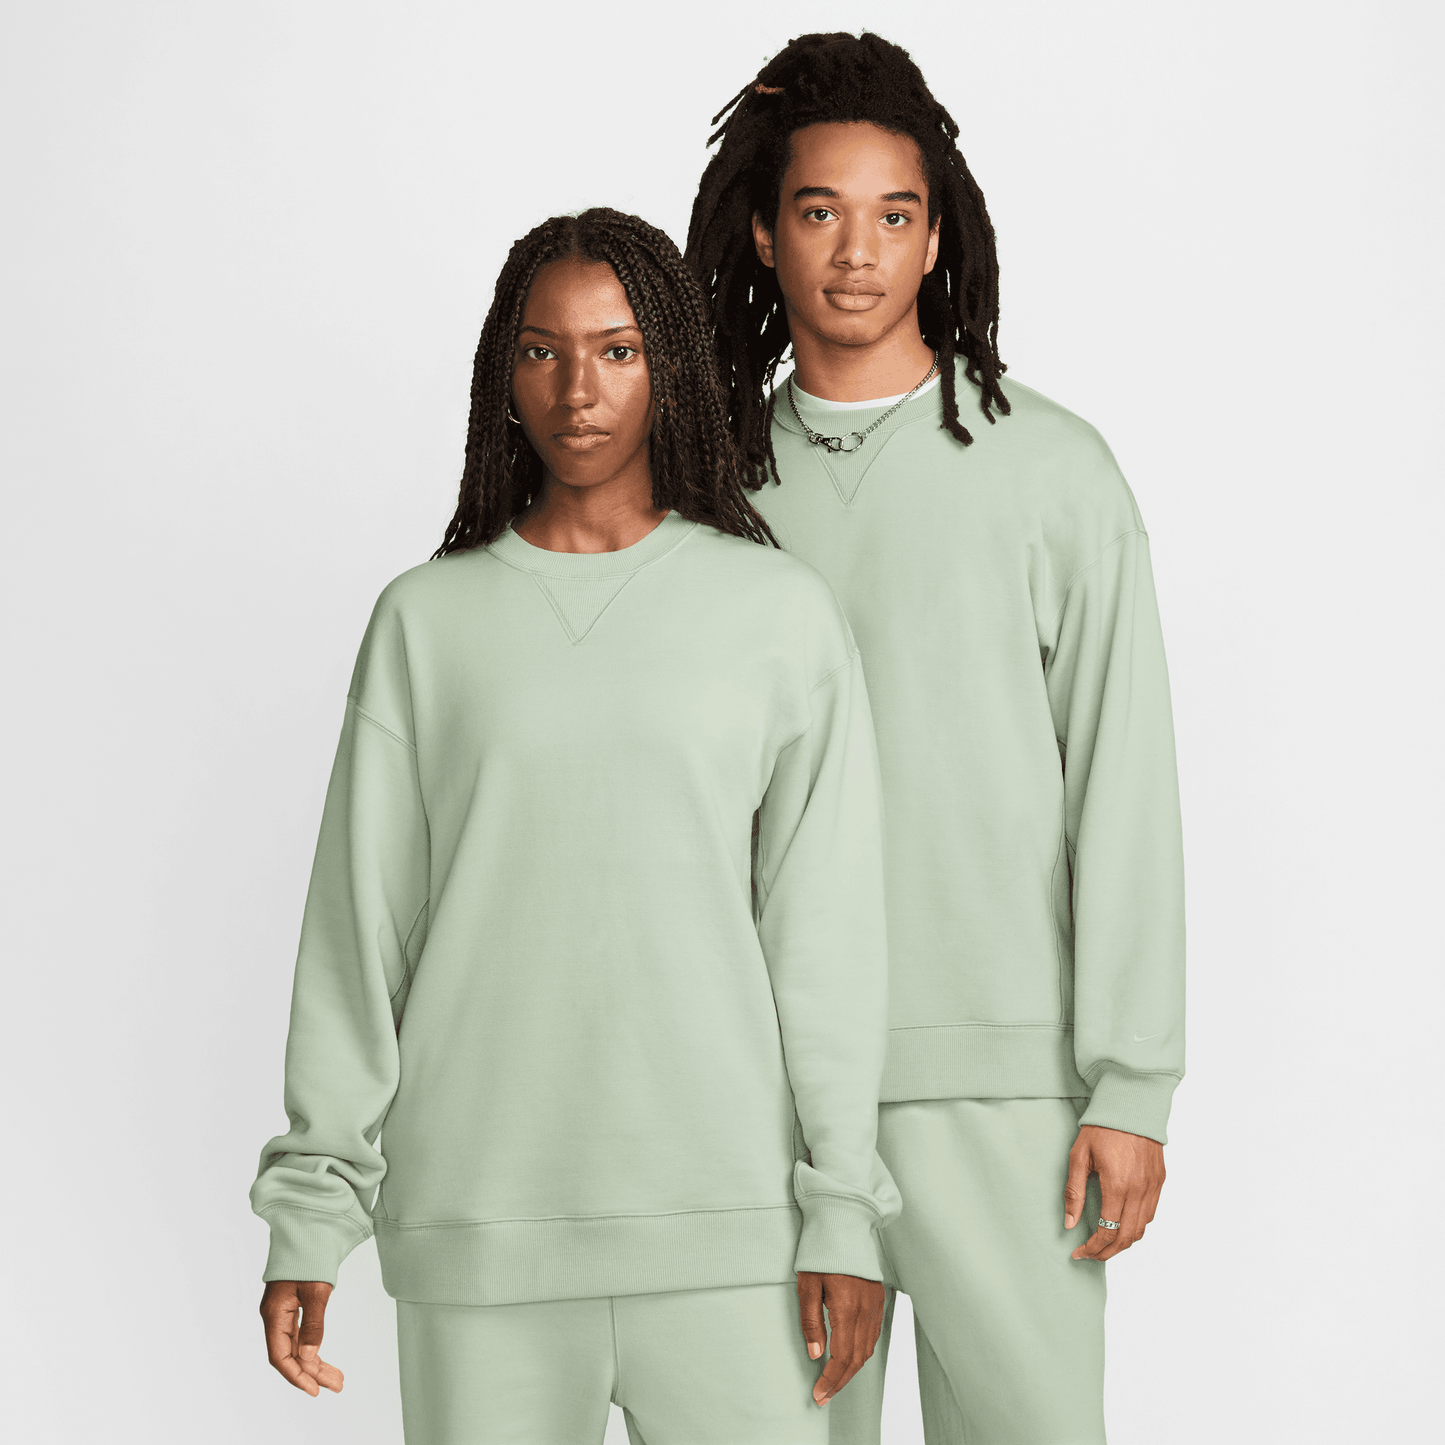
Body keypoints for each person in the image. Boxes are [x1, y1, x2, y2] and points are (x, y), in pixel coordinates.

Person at [250, 207, 900, 1445]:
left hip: (730, 1239)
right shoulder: (425, 623)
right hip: (476, 1238)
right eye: (541, 351)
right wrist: (311, 1214)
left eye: (616, 350)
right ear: (504, 374)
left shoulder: (776, 614)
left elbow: (824, 941)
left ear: (670, 366)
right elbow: (357, 936)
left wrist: (843, 1208)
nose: (577, 390)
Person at [685, 33, 1185, 1445]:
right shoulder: (710, 495)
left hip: (1004, 1093)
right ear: (763, 233)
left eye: (893, 214)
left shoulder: (1055, 474)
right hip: (767, 1101)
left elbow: (1122, 779)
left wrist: (1130, 1082)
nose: (857, 253)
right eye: (819, 212)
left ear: (937, 233)